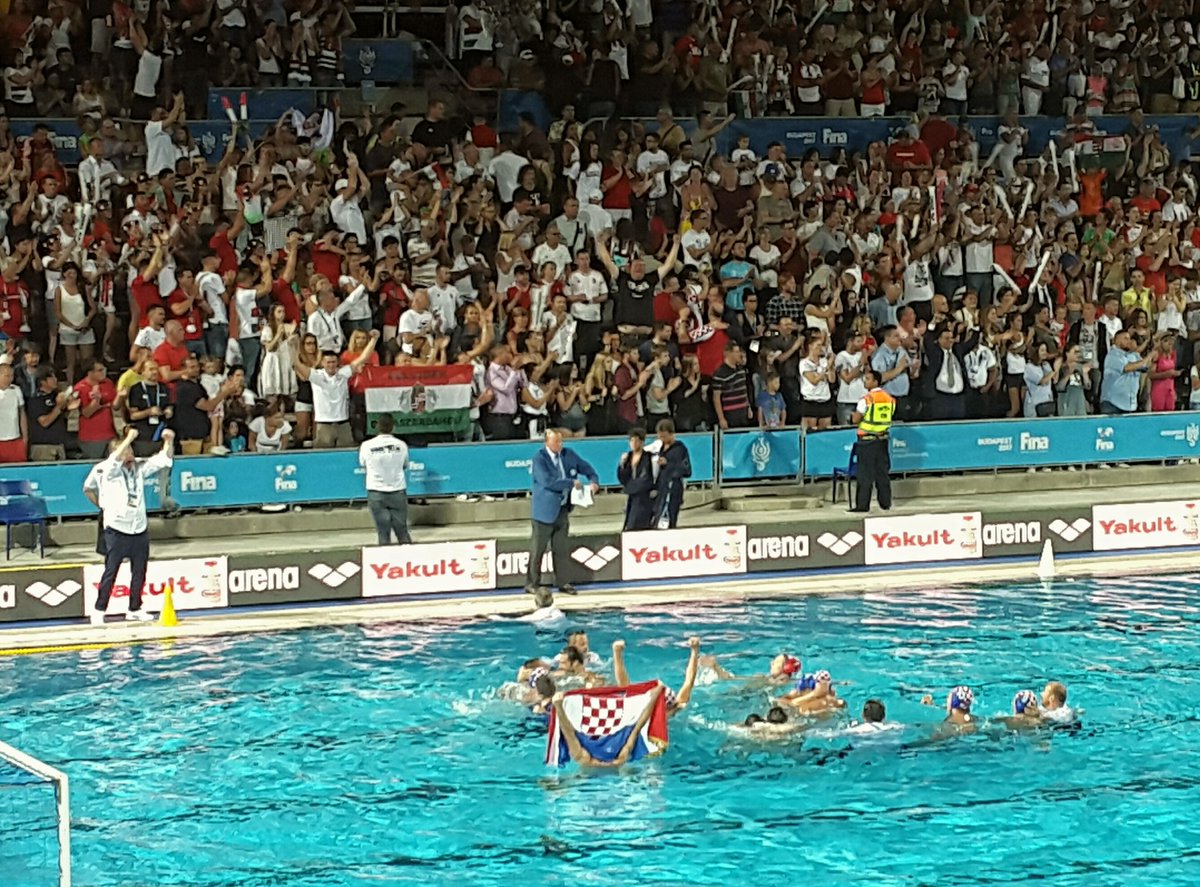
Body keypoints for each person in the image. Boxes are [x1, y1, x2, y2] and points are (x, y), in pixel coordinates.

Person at [82, 426, 175, 626]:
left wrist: (168, 441)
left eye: (131, 450)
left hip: (138, 527)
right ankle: (99, 609)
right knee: (111, 571)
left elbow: (162, 460)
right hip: (116, 529)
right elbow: (91, 484)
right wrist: (102, 506)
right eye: (126, 450)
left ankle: (135, 608)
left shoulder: (138, 467)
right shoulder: (107, 469)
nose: (130, 453)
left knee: (139, 571)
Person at [527, 428, 599, 603]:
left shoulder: (568, 454)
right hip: (544, 512)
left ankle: (563, 582)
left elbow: (587, 468)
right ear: (547, 442)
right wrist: (571, 482)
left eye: (561, 441)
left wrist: (594, 481)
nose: (560, 444)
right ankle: (532, 583)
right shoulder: (539, 459)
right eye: (556, 441)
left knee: (561, 549)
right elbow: (548, 482)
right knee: (538, 550)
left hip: (562, 510)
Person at [291, 329, 380, 448]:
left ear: (337, 362)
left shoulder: (343, 373)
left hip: (343, 424)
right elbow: (297, 364)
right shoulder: (316, 376)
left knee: (346, 455)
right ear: (322, 363)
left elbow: (363, 358)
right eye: (328, 362)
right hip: (324, 425)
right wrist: (292, 347)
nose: (331, 365)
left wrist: (374, 339)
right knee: (322, 457)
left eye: (333, 362)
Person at [549, 684, 664, 767]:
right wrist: (653, 697)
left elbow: (568, 732)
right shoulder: (620, 759)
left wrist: (558, 706)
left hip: (586, 785)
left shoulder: (583, 758)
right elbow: (637, 727)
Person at [612, 636, 701, 718]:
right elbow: (689, 681)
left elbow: (689, 681)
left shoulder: (677, 707)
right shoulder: (643, 710)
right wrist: (694, 651)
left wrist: (695, 651)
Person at [358, 413, 412, 546]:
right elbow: (405, 465)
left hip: (376, 491)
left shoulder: (366, 445)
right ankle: (410, 561)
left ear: (377, 426)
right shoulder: (402, 445)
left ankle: (385, 562)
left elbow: (363, 464)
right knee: (402, 531)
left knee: (383, 532)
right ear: (393, 427)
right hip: (397, 490)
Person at [849, 368, 895, 513]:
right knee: (882, 473)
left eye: (868, 379)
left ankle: (863, 505)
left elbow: (856, 419)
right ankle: (885, 503)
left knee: (865, 474)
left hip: (867, 440)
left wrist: (853, 416)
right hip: (883, 439)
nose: (865, 381)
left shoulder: (866, 400)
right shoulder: (890, 399)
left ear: (875, 381)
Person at [650, 419, 691, 529]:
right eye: (660, 436)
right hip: (661, 487)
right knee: (656, 517)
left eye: (664, 436)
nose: (662, 439)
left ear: (672, 434)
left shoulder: (680, 449)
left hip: (673, 488)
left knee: (670, 518)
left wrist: (668, 464)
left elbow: (686, 470)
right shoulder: (660, 448)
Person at [617, 427, 655, 531]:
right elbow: (622, 478)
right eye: (632, 440)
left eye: (637, 440)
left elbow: (648, 478)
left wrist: (633, 487)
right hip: (632, 495)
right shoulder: (627, 457)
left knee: (640, 522)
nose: (634, 443)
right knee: (630, 522)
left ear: (642, 442)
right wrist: (622, 465)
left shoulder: (649, 457)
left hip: (644, 495)